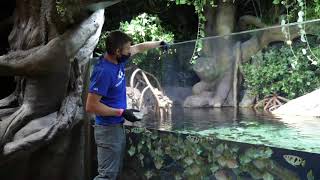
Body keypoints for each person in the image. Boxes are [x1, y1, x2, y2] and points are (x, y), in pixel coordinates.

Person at [85, 30, 169, 180]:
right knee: (106, 176)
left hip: (116, 127)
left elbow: (139, 48)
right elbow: (91, 106)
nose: (130, 51)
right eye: (127, 49)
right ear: (117, 51)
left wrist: (159, 43)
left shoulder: (118, 60)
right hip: (107, 130)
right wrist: (122, 112)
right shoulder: (103, 71)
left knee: (114, 174)